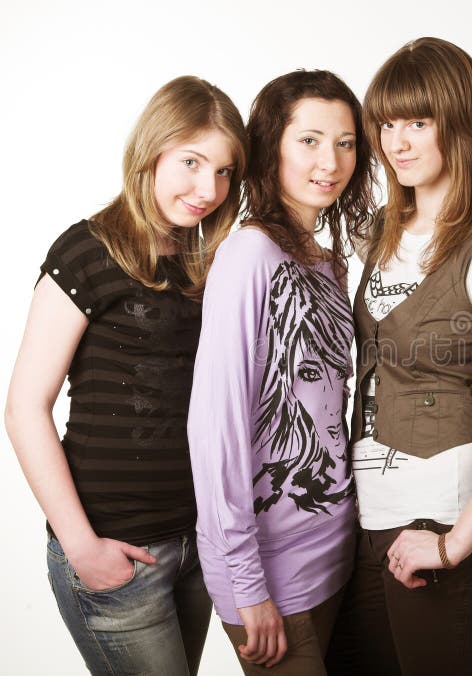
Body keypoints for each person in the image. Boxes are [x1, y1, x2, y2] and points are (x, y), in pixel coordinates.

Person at [325, 38, 472, 676]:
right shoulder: (382, 230)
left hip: (448, 523)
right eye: (387, 123)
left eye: (418, 122)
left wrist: (456, 545)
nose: (397, 142)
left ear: (456, 124)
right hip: (370, 522)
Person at [5, 75, 248, 675]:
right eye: (191, 162)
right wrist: (82, 547)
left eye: (223, 173)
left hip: (196, 545)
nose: (207, 188)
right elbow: (24, 407)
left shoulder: (206, 263)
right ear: (151, 150)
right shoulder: (87, 251)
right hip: (119, 551)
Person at [187, 69, 375, 675]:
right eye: (310, 140)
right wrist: (247, 584)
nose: (331, 161)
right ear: (271, 147)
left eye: (346, 142)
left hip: (334, 544)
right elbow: (216, 425)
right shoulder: (249, 255)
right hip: (266, 565)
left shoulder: (326, 260)